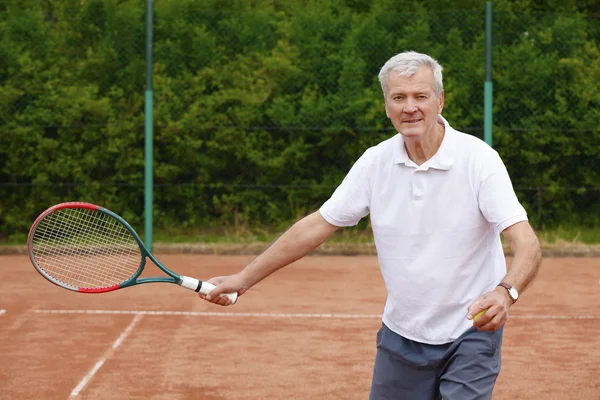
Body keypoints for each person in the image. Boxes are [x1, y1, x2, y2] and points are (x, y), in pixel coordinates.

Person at [200, 51, 542, 399]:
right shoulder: (374, 163)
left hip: (472, 330)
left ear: (440, 100)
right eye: (399, 97)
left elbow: (526, 243)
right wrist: (244, 278)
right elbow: (317, 225)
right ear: (386, 105)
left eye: (420, 96)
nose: (410, 107)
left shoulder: (479, 160)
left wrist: (505, 292)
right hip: (402, 334)